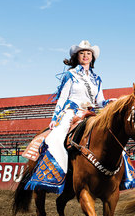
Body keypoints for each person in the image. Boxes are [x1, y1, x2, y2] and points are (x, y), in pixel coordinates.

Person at [25, 40, 113, 194]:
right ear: (76, 56)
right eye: (82, 53)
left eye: (88, 53)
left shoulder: (97, 79)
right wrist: (54, 119)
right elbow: (62, 98)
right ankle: (52, 175)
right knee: (54, 139)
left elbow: (99, 101)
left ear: (92, 57)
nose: (85, 55)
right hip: (71, 112)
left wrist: (108, 103)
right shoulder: (70, 74)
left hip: (90, 113)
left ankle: (121, 177)